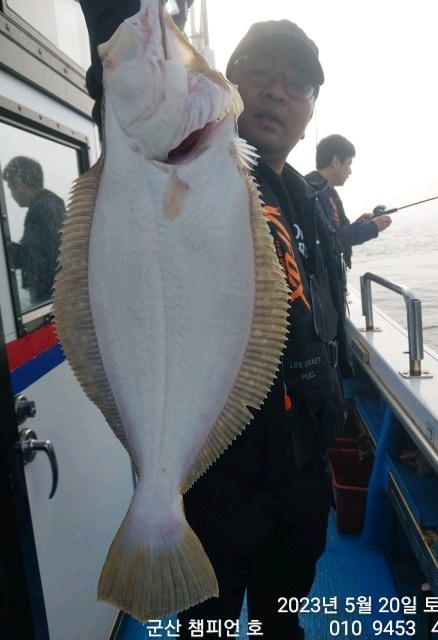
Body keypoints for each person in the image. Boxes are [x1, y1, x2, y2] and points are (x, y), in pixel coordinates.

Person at [79, 4, 349, 639]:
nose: (277, 89)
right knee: (212, 630)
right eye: (259, 71)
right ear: (226, 86)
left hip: (303, 472)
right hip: (223, 476)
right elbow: (124, 84)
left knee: (283, 621)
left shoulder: (310, 203)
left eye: (298, 83)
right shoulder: (203, 160)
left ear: (311, 112)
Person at [305, 134, 392, 268]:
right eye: (349, 163)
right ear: (335, 161)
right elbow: (332, 238)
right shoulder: (312, 192)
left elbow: (333, 230)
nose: (350, 171)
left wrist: (359, 223)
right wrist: (373, 226)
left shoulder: (328, 192)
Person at [2, 156, 65, 305]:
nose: (11, 194)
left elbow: (33, 257)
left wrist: (5, 249)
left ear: (19, 183)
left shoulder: (40, 208)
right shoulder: (53, 203)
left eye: (10, 187)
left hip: (49, 298)